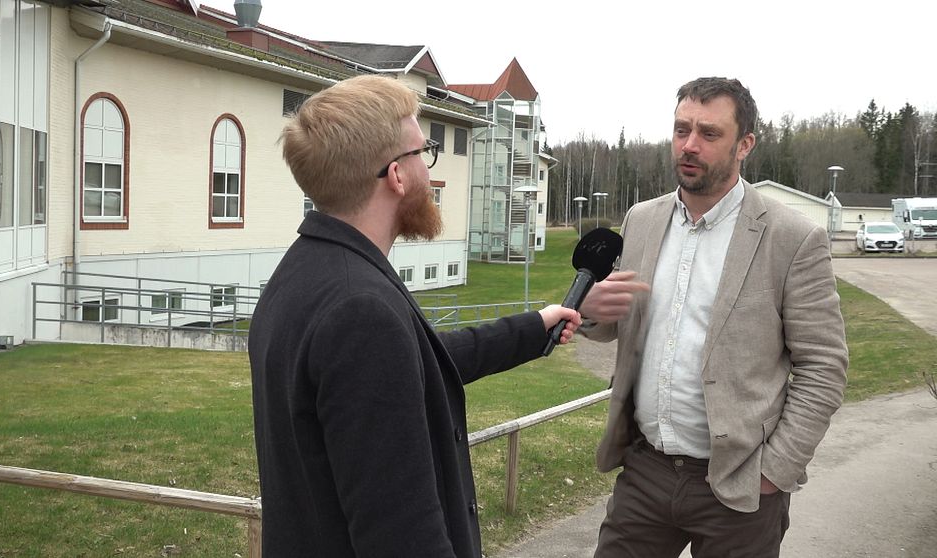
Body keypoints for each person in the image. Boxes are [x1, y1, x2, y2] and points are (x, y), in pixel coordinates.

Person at [248, 74, 582, 558]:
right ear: (397, 176)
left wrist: (532, 328)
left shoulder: (302, 274)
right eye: (423, 152)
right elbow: (401, 534)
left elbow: (414, 362)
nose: (429, 171)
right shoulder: (359, 309)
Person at [578, 77, 849, 557]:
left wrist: (775, 471)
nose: (689, 145)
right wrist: (593, 312)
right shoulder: (641, 220)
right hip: (646, 472)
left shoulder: (793, 238)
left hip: (741, 485)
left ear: (745, 144)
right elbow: (615, 323)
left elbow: (823, 366)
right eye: (681, 130)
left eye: (709, 133)